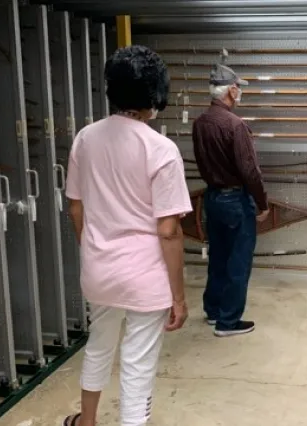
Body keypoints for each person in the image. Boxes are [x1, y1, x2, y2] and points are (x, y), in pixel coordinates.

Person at [63, 45, 192, 426]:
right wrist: (179, 297)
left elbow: (75, 208)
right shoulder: (161, 150)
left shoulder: (85, 139)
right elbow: (168, 231)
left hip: (99, 271)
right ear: (155, 96)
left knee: (99, 345)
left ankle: (86, 421)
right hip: (145, 279)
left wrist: (95, 251)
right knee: (137, 366)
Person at [192, 64, 269, 337]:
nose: (240, 93)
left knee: (219, 257)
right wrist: (262, 203)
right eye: (239, 88)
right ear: (232, 90)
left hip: (213, 198)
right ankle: (228, 322)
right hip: (236, 200)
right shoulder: (235, 126)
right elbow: (250, 170)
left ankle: (213, 311)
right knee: (238, 261)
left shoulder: (201, 122)